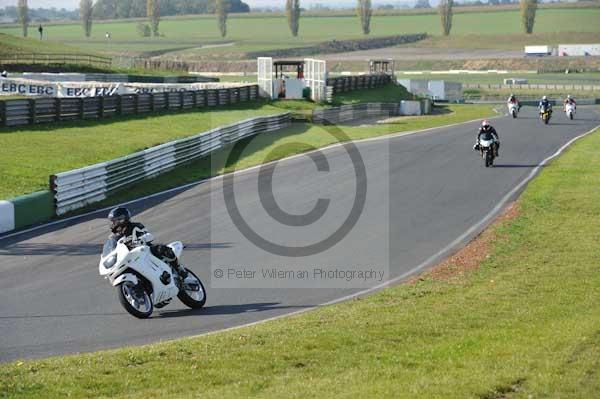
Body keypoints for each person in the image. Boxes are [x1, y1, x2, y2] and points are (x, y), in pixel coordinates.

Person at [107, 207, 188, 278]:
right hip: (128, 257)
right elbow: (111, 248)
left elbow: (148, 235)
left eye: (115, 221)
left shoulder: (135, 226)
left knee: (161, 249)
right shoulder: (113, 236)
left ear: (123, 219)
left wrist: (142, 239)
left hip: (144, 250)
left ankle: (179, 268)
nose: (113, 223)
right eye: (112, 221)